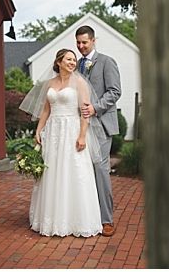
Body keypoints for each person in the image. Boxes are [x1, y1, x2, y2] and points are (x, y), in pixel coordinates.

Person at [20, 49, 103, 237]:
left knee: (73, 171)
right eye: (69, 59)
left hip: (72, 130)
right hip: (53, 131)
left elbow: (85, 112)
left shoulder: (80, 83)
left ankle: (76, 220)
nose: (72, 62)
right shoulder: (50, 83)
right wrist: (38, 130)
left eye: (74, 60)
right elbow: (46, 110)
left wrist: (82, 135)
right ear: (59, 61)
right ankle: (51, 219)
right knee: (52, 172)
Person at [75, 25, 122, 237]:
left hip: (101, 124)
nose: (81, 46)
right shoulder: (73, 65)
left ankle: (106, 220)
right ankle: (85, 217)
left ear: (93, 41)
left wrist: (96, 108)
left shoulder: (106, 62)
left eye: (84, 42)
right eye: (78, 43)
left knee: (101, 171)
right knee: (81, 170)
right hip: (79, 126)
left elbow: (115, 91)